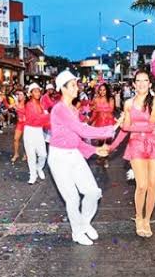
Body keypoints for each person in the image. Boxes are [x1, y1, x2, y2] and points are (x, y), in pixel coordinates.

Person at [47, 71, 117, 246]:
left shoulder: (72, 109)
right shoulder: (59, 109)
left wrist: (95, 150)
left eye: (75, 84)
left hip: (74, 154)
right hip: (59, 157)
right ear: (62, 89)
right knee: (72, 199)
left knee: (92, 192)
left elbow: (76, 139)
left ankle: (84, 224)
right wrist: (108, 130)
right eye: (72, 85)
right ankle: (77, 232)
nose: (76, 87)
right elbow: (83, 131)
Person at [118, 70, 155, 237]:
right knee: (142, 185)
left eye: (145, 80)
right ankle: (138, 217)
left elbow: (150, 125)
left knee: (153, 186)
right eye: (138, 81)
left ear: (150, 84)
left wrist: (126, 126)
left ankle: (147, 219)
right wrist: (111, 146)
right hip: (136, 145)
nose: (142, 83)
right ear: (133, 84)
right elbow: (124, 130)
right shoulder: (128, 103)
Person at [24, 84, 50, 184]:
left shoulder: (42, 105)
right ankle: (32, 175)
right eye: (35, 91)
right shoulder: (28, 105)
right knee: (31, 155)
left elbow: (44, 122)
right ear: (31, 93)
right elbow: (35, 118)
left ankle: (39, 168)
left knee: (43, 154)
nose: (38, 93)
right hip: (29, 130)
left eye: (38, 91)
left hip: (39, 131)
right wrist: (49, 116)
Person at [90, 82, 115, 168]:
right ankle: (101, 157)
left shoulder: (110, 99)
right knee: (100, 142)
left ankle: (105, 159)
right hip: (99, 122)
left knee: (108, 142)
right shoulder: (96, 99)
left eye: (104, 90)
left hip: (109, 122)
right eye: (100, 90)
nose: (102, 91)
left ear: (106, 90)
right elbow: (93, 111)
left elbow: (111, 109)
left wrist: (97, 108)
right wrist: (90, 121)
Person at [10, 90, 26, 163]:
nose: (19, 96)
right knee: (16, 139)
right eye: (18, 95)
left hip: (26, 124)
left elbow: (26, 112)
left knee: (25, 140)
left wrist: (17, 108)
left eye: (21, 94)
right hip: (19, 123)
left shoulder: (27, 104)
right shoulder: (16, 103)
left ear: (24, 96)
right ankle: (16, 154)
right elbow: (8, 106)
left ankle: (25, 154)